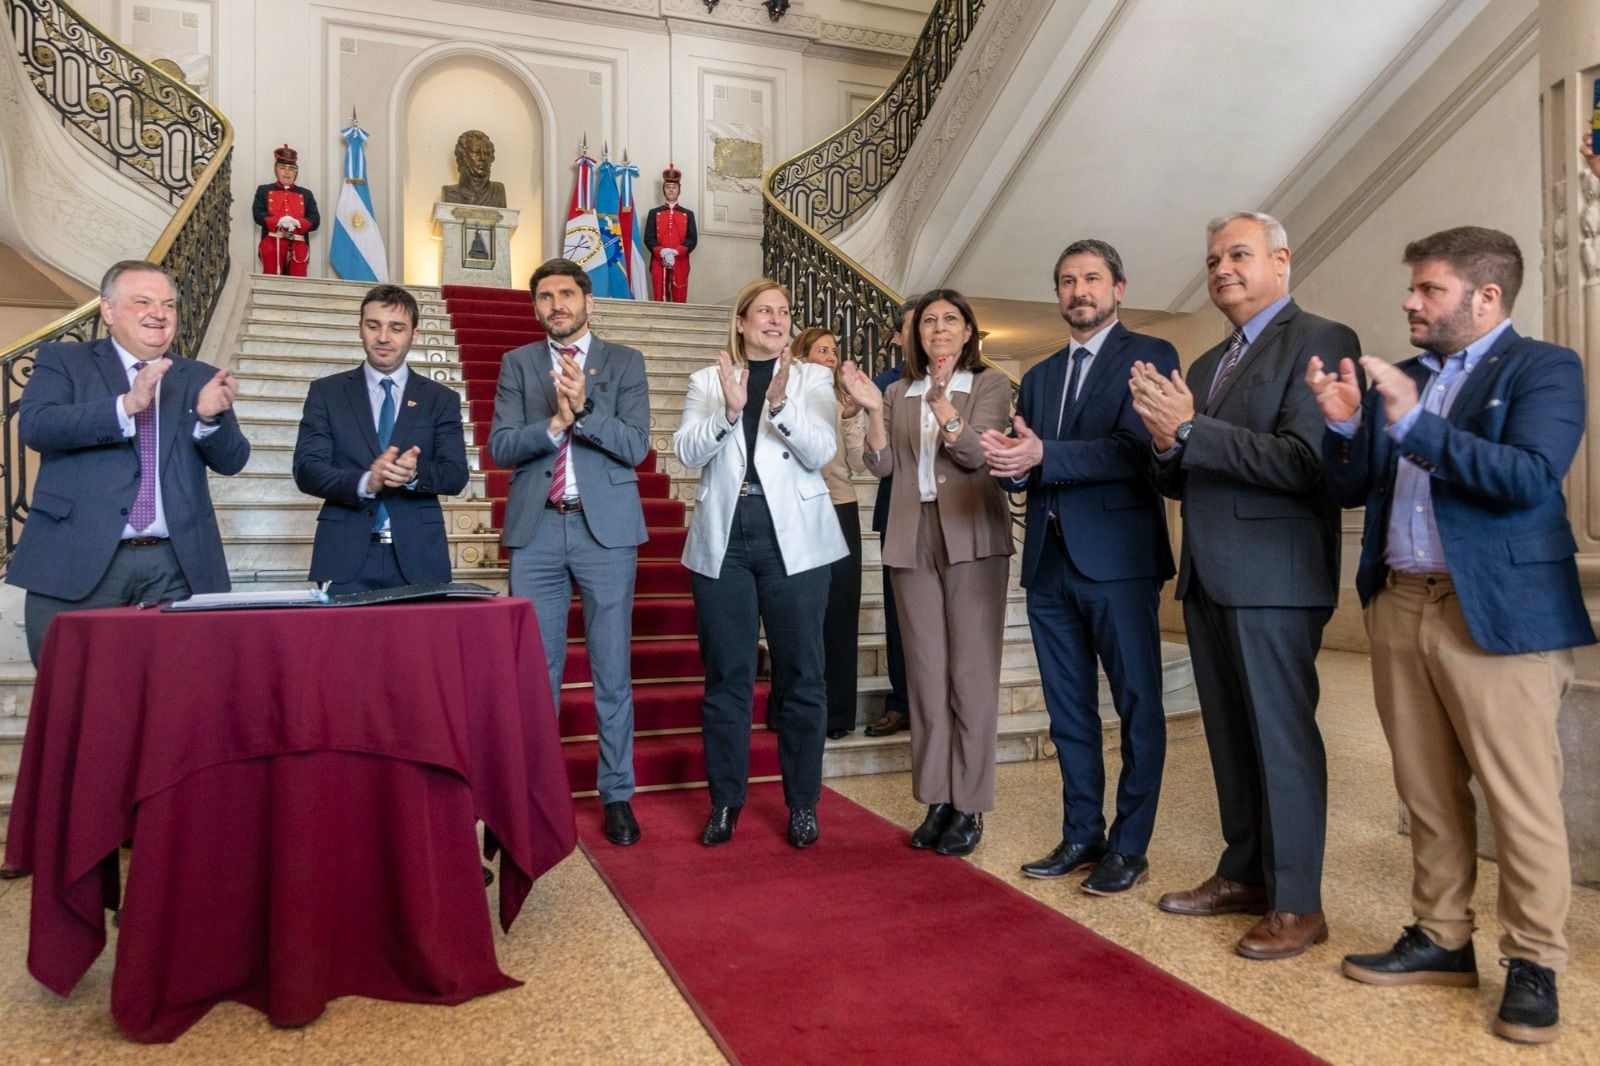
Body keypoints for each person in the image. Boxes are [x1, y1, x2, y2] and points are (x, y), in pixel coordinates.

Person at [1309, 227, 1593, 1045]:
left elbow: (1529, 478)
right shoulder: (1412, 378)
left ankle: (1535, 962)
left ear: (1486, 297)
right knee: (1426, 790)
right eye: (1414, 290)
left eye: (1429, 290)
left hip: (1495, 614)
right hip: (1400, 603)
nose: (1410, 302)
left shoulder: (1544, 369)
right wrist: (1343, 427)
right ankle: (1440, 937)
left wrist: (1412, 424)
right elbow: (1351, 487)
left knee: (1521, 798)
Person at [1129, 211, 1360, 959]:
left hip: (1275, 577)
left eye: (1238, 254)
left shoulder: (1321, 339)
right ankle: (1244, 875)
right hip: (1209, 574)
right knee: (1231, 739)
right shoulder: (1203, 366)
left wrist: (1191, 432)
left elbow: (1304, 461)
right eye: (1212, 258)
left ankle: (1298, 901)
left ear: (1281, 259)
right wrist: (1166, 441)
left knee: (1282, 739)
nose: (1221, 267)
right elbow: (1181, 475)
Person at [982, 239, 1177, 895]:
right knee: (1068, 711)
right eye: (1067, 281)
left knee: (1137, 705)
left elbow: (1132, 453)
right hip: (1050, 561)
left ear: (1118, 288)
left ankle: (1130, 844)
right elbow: (1031, 464)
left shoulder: (1149, 355)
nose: (1078, 291)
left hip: (1118, 562)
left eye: (1092, 278)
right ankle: (1081, 834)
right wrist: (1009, 466)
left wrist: (1041, 458)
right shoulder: (1035, 377)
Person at [6, 260, 248, 665]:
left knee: (175, 695)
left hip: (177, 565)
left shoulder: (199, 376)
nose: (159, 313)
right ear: (108, 310)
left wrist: (210, 419)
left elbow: (233, 461)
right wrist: (125, 407)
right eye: (143, 301)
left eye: (169, 305)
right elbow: (37, 427)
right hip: (78, 560)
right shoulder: (63, 361)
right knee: (74, 698)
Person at [842, 290, 1013, 856]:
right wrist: (872, 409)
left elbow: (977, 457)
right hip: (910, 537)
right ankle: (936, 799)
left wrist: (945, 411)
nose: (938, 329)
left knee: (970, 674)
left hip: (971, 536)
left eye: (951, 320)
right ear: (916, 333)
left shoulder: (989, 384)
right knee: (926, 675)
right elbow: (883, 464)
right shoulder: (897, 389)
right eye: (929, 321)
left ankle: (970, 804)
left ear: (969, 331)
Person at [675, 279, 845, 848]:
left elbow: (821, 452)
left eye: (784, 311)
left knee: (802, 676)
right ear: (742, 322)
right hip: (725, 538)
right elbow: (687, 451)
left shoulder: (813, 378)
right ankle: (725, 801)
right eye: (764, 311)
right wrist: (729, 409)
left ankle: (802, 804)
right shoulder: (708, 379)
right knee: (727, 678)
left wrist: (778, 403)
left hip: (792, 538)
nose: (776, 319)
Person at [490, 258, 651, 847]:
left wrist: (583, 411)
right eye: (544, 297)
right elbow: (502, 445)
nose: (555, 304)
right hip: (536, 531)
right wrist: (554, 425)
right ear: (534, 307)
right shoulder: (518, 364)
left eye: (565, 294)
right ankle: (531, 794)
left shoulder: (624, 361)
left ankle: (617, 796)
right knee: (536, 673)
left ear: (587, 300)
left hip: (605, 531)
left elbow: (635, 446)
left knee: (612, 670)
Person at [292, 284, 468, 595]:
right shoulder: (326, 393)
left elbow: (455, 475)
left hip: (420, 559)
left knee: (418, 646)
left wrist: (414, 475)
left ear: (414, 334)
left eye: (396, 327)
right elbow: (307, 470)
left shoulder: (441, 399)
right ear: (360, 328)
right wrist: (365, 482)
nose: (383, 337)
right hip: (342, 557)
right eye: (373, 325)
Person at [793, 327, 866, 739]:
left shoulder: (844, 402)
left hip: (840, 506)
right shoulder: (788, 395)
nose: (831, 357)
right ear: (802, 356)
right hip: (798, 508)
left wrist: (855, 418)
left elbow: (858, 463)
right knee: (801, 613)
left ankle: (837, 714)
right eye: (822, 350)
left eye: (834, 351)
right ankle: (796, 708)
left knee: (840, 611)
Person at [862, 296, 920, 739]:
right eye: (916, 325)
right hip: (897, 509)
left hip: (952, 515)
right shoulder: (883, 384)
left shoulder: (966, 380)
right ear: (898, 336)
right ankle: (901, 702)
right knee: (900, 614)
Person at [252, 145, 320, 276]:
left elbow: (315, 219)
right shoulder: (263, 190)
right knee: (271, 280)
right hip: (272, 244)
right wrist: (278, 221)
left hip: (299, 245)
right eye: (282, 168)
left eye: (291, 169)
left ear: (296, 172)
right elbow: (257, 213)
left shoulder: (306, 194)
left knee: (298, 284)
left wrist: (298, 223)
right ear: (276, 170)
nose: (287, 172)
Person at [644, 166, 698, 303]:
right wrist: (662, 252)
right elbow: (648, 237)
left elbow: (692, 238)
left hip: (680, 260)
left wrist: (676, 252)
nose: (671, 190)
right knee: (658, 297)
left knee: (679, 297)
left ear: (679, 189)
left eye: (674, 187)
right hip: (658, 260)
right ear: (664, 190)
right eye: (668, 186)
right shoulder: (654, 213)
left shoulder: (688, 214)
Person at [439, 130, 508, 208]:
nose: (482, 158)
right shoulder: (449, 193)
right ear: (462, 156)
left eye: (487, 153)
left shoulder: (498, 192)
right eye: (476, 152)